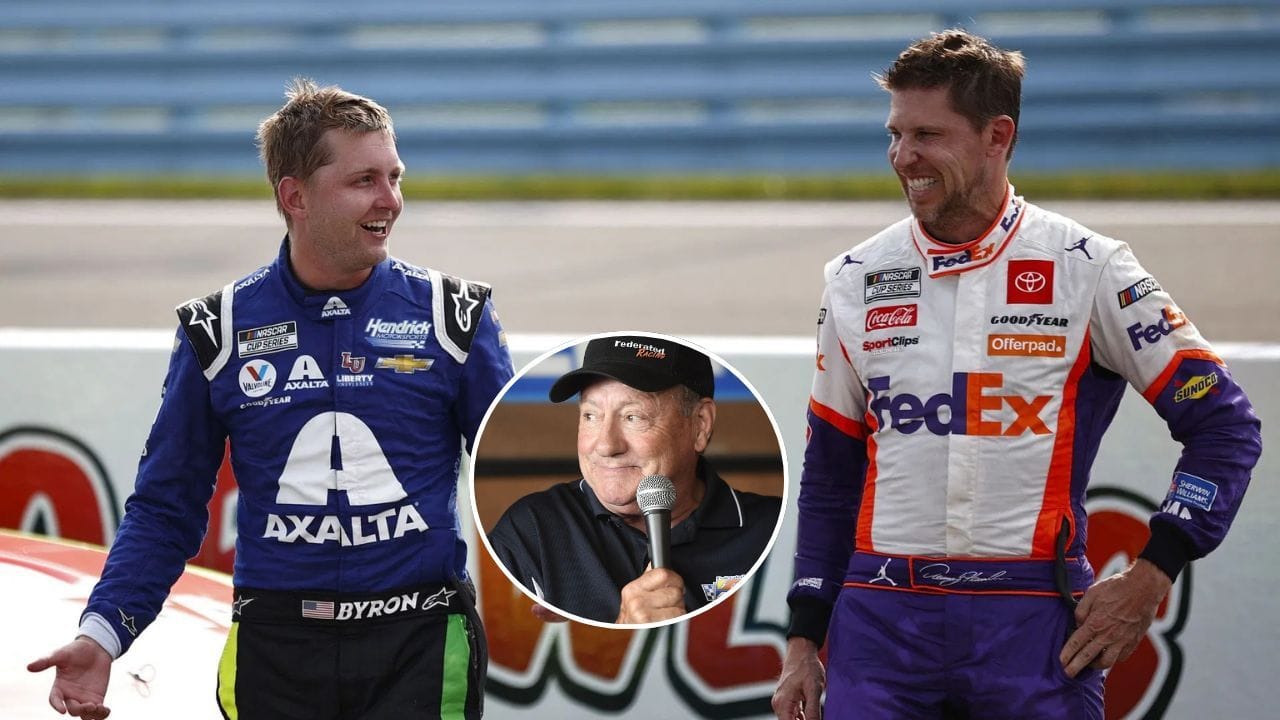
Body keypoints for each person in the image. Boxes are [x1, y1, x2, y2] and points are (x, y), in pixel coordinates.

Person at [772, 30, 1261, 720]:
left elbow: (1224, 426)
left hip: (1032, 620)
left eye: (927, 135)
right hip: (881, 620)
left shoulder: (1090, 268)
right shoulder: (855, 278)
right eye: (895, 133)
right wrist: (802, 640)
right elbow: (831, 473)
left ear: (997, 135)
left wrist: (1153, 574)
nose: (902, 157)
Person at [27, 79, 513, 720]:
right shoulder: (218, 329)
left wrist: (571, 565)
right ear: (295, 196)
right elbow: (166, 508)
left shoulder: (454, 317)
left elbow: (519, 474)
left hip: (420, 644)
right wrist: (104, 634)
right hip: (275, 650)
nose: (391, 201)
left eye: (395, 177)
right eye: (364, 180)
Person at [486, 335, 782, 624]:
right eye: (591, 415)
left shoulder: (775, 531)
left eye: (633, 417)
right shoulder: (529, 531)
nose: (605, 445)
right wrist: (624, 627)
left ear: (700, 425)